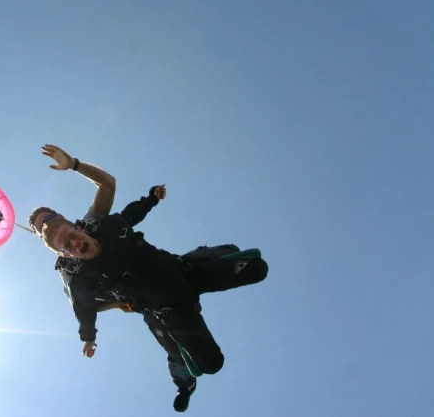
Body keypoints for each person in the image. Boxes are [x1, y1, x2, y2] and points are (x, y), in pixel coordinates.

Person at [30, 145, 269, 396]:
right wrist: (89, 335)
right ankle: (182, 378)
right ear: (62, 252)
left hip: (181, 271)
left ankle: (208, 254)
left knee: (258, 269)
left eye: (52, 219)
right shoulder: (76, 277)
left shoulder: (101, 225)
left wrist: (150, 198)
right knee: (208, 363)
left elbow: (123, 205)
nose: (75, 243)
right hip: (162, 309)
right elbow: (84, 308)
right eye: (66, 245)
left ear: (71, 222)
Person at [29, 145, 199, 412]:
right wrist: (93, 331)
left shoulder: (91, 224)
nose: (47, 226)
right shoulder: (69, 274)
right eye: (41, 229)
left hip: (159, 270)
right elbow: (86, 307)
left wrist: (73, 164)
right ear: (46, 242)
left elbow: (115, 198)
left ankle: (219, 259)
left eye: (49, 218)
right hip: (143, 300)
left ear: (62, 218)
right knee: (174, 347)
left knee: (195, 268)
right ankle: (184, 384)